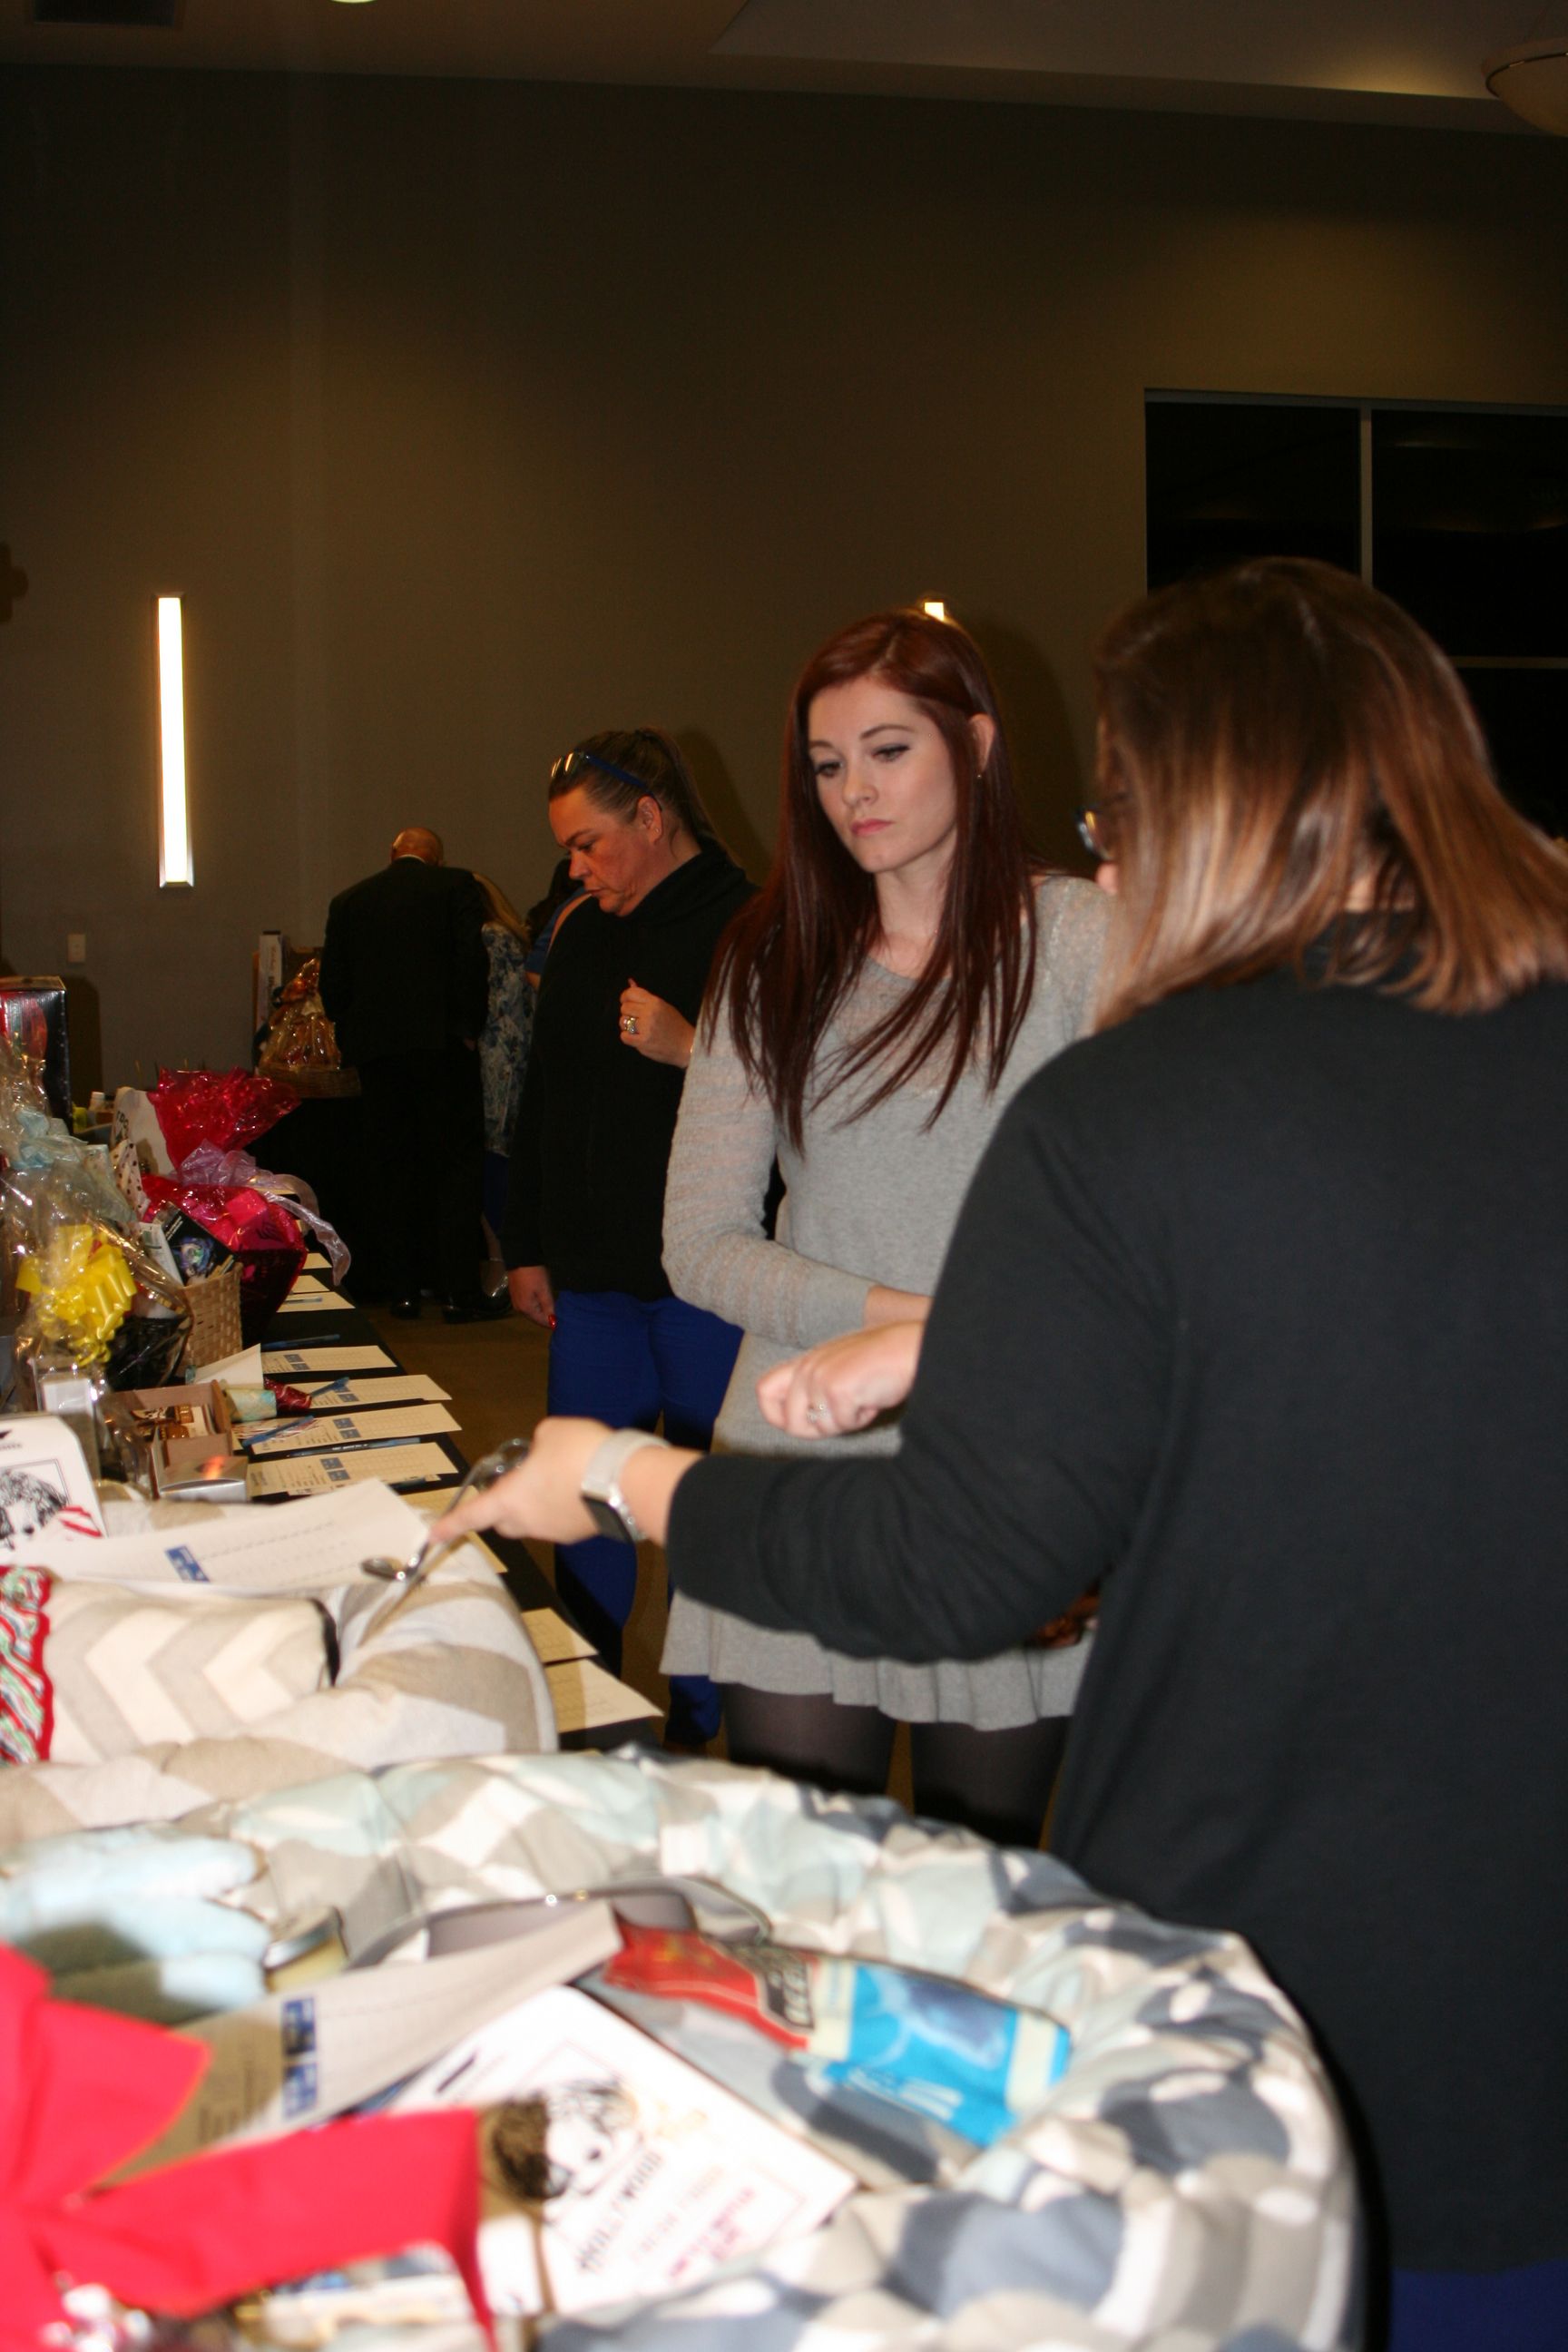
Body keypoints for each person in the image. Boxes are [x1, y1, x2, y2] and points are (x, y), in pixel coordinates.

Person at [439, 559, 1568, 2350]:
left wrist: (625, 1482)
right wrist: (929, 1330)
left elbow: (967, 1561)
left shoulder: (1146, 1081)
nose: (1115, 853)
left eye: (1127, 805)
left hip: (1274, 1914)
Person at [660, 607, 1109, 1846]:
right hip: (795, 1461)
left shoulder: (1081, 942)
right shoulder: (771, 956)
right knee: (806, 1897)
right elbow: (698, 1241)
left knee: (974, 1890)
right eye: (826, 762)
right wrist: (912, 1324)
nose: (854, 790)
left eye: (889, 749)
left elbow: (1146, 1236)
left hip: (1005, 1469)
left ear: (975, 742)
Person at [499, 729, 754, 1746]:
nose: (576, 867)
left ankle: (708, 1728)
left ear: (651, 818)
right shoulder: (579, 930)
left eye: (591, 844)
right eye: (568, 849)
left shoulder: (752, 924)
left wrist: (696, 1048)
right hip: (595, 1281)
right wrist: (526, 1241)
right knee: (584, 1507)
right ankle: (590, 1718)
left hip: (709, 1279)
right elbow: (543, 1096)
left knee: (705, 1519)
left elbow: (815, 1101)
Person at [319, 825, 506, 1322]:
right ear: (436, 859)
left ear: (392, 853)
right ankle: (458, 1292)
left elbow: (332, 988)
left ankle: (401, 1290)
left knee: (389, 1169)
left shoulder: (349, 902)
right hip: (443, 1048)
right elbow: (472, 960)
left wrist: (356, 1036)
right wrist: (467, 1028)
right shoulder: (456, 887)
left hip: (379, 1058)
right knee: (456, 1168)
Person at [473, 872, 533, 1249]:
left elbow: (498, 1004)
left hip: (499, 1061)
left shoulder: (490, 936)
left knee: (496, 1155)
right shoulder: (503, 934)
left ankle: (508, 1254)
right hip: (508, 1055)